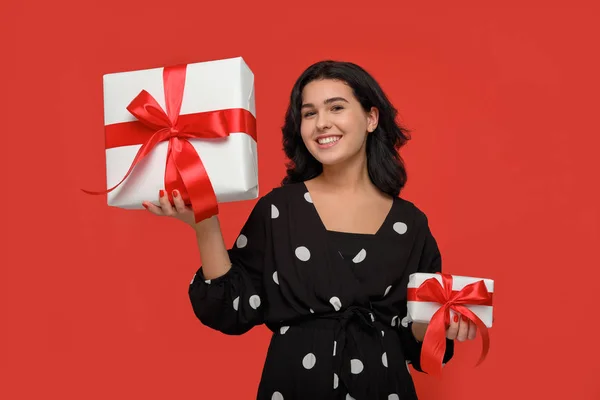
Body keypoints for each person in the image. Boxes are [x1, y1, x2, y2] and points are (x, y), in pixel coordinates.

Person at [142, 60, 477, 400]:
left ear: (371, 118)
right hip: (294, 386)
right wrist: (205, 224)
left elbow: (416, 340)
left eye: (336, 108)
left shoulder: (412, 225)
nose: (322, 123)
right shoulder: (280, 209)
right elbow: (232, 308)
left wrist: (439, 327)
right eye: (309, 113)